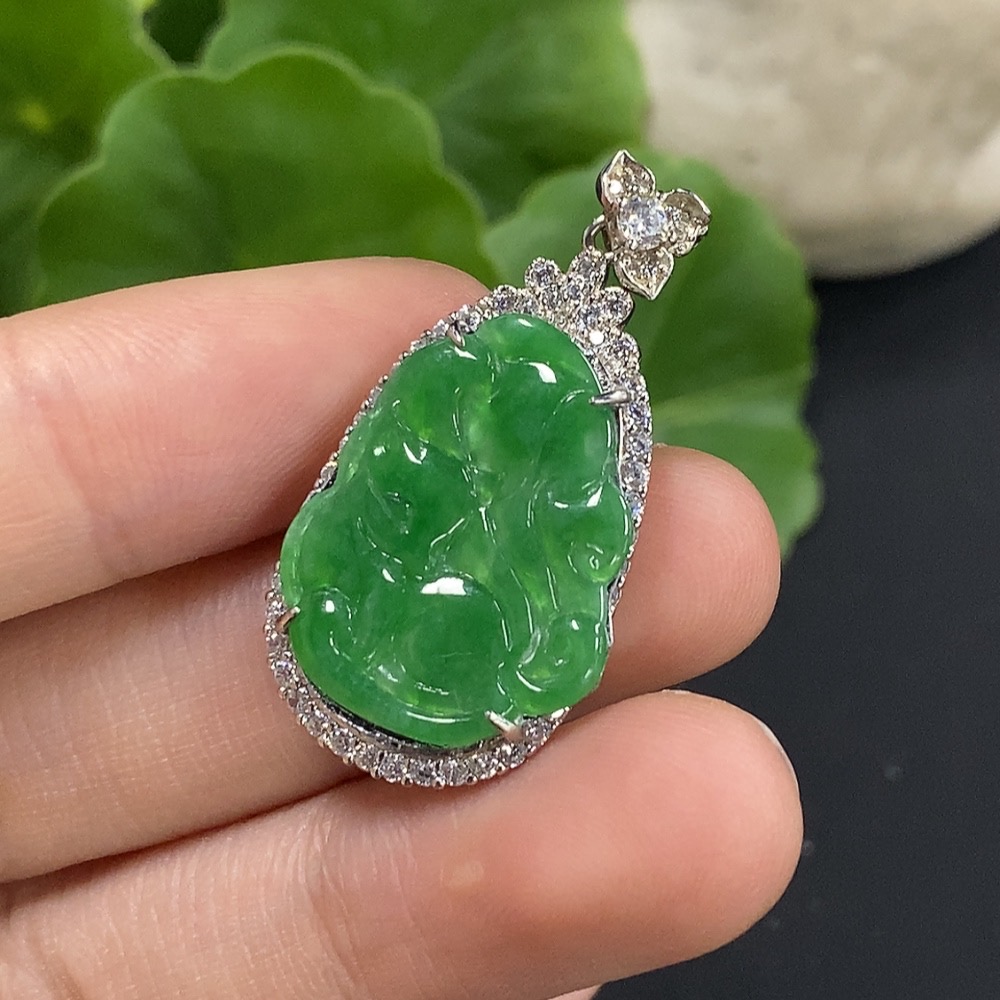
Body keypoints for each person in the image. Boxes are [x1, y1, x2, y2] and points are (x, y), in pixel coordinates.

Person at [0, 258, 802, 999]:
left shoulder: (550, 504)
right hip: (368, 620)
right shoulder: (428, 449)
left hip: (463, 660)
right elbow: (356, 506)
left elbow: (562, 618)